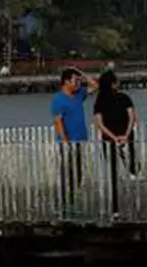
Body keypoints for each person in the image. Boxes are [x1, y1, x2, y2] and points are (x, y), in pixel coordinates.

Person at [50, 67, 97, 212]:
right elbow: (58, 122)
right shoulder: (58, 99)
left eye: (78, 81)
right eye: (74, 81)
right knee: (67, 172)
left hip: (80, 139)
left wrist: (81, 74)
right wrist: (65, 142)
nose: (78, 84)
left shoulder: (79, 95)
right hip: (68, 142)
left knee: (78, 172)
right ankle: (64, 201)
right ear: (66, 82)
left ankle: (71, 199)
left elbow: (95, 86)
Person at [93, 71, 137, 217]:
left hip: (109, 141)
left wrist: (113, 137)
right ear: (113, 84)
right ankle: (134, 203)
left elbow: (99, 124)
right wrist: (125, 135)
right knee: (131, 171)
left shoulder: (99, 101)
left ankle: (116, 209)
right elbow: (132, 117)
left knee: (113, 174)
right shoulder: (124, 97)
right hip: (127, 138)